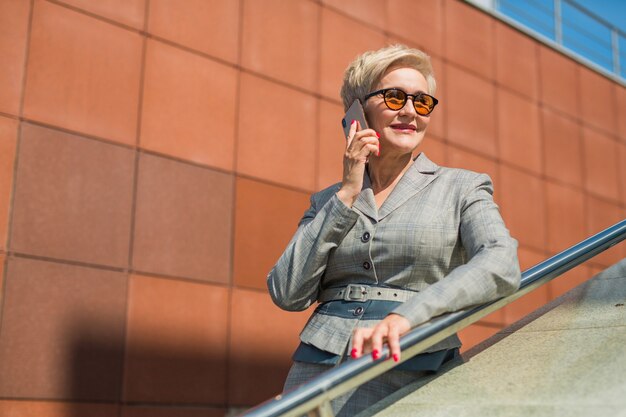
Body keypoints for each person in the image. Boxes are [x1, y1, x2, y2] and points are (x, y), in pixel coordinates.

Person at [267, 44, 521, 416]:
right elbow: (286, 292)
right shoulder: (328, 200)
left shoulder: (463, 187)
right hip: (316, 378)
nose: (409, 112)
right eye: (394, 96)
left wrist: (410, 315)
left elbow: (501, 263)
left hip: (414, 370)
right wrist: (347, 193)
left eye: (422, 102)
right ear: (357, 110)